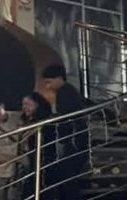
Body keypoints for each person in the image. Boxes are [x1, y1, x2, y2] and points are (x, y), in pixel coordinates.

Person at [42, 64, 88, 200]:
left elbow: (66, 118)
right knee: (69, 178)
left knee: (68, 178)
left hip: (72, 141)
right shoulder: (68, 91)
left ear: (58, 78)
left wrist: (63, 141)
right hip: (75, 139)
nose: (48, 86)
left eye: (49, 82)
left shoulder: (65, 93)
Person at [21, 92, 56, 200]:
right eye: (23, 104)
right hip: (32, 160)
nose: (24, 107)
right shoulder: (28, 121)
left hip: (43, 161)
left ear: (38, 104)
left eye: (28, 104)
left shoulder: (46, 122)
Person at [0, 103, 23, 200]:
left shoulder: (15, 116)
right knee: (0, 190)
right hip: (3, 163)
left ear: (2, 107)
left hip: (18, 161)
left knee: (15, 191)